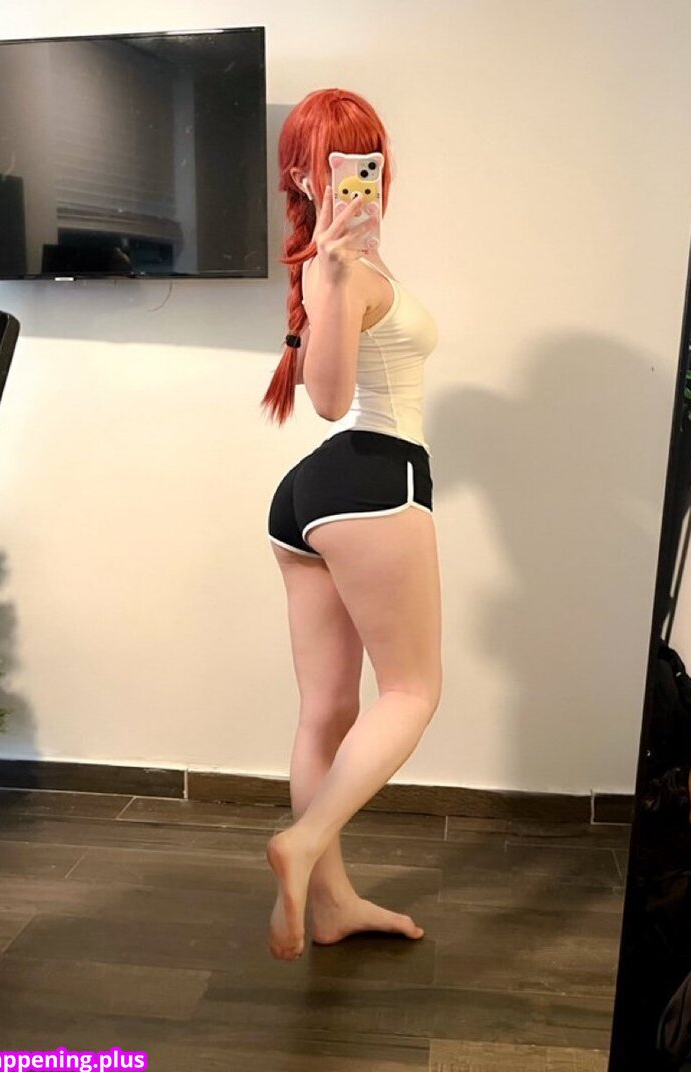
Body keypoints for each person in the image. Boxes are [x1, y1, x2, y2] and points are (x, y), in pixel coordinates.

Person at [260, 89, 442, 961]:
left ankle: (330, 905)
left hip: (308, 498)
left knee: (325, 712)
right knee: (412, 692)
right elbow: (331, 400)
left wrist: (330, 273)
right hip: (375, 478)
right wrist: (333, 276)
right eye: (329, 161)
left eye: (361, 155)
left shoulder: (332, 267)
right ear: (304, 176)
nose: (349, 175)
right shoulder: (336, 270)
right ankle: (303, 844)